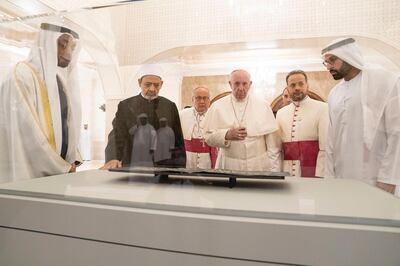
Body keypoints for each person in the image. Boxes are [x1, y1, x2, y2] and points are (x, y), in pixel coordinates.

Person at [0, 23, 82, 183]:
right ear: (46, 43)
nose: (69, 52)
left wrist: (72, 158)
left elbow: (66, 125)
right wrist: (61, 166)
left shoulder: (58, 81)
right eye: (63, 44)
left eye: (72, 47)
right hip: (31, 173)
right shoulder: (21, 75)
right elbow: (28, 133)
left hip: (61, 172)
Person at [322, 37, 400, 194]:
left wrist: (389, 179)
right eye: (326, 62)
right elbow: (331, 140)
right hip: (342, 179)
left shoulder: (385, 82)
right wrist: (329, 177)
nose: (329, 66)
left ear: (348, 55)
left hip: (376, 178)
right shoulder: (334, 93)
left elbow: (396, 133)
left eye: (333, 60)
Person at [102, 67, 186, 169]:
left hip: (163, 164)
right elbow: (117, 134)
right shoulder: (126, 105)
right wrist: (113, 157)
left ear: (161, 84)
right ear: (139, 82)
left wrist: (180, 165)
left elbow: (177, 138)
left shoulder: (169, 106)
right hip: (133, 163)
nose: (152, 89)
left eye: (156, 85)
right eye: (147, 84)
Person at [202, 69, 280, 171]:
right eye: (237, 83)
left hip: (258, 164)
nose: (241, 88)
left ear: (250, 84)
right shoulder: (217, 106)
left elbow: (273, 145)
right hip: (229, 164)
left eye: (244, 84)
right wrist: (226, 135)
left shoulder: (263, 105)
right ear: (230, 84)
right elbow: (208, 137)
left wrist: (274, 171)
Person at [275, 70, 328, 177]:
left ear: (307, 85)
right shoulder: (281, 113)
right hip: (287, 169)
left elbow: (325, 147)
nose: (297, 88)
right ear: (288, 88)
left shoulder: (323, 108)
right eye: (292, 85)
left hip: (313, 168)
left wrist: (321, 175)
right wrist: (277, 172)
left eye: (301, 84)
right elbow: (278, 149)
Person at [179, 87, 217, 169]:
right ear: (193, 100)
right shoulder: (182, 114)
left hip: (207, 156)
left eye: (205, 98)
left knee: (207, 178)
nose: (202, 101)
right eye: (198, 98)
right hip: (188, 156)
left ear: (209, 100)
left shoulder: (216, 115)